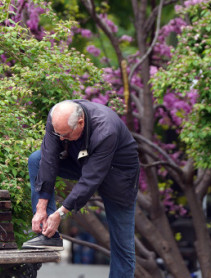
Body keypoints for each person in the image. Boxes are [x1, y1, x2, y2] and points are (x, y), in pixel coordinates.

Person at [23, 100, 139, 278]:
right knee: (36, 159)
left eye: (66, 135)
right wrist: (41, 207)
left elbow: (90, 180)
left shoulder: (105, 129)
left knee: (122, 246)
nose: (61, 139)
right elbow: (49, 160)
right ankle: (49, 236)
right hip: (81, 160)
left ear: (81, 123)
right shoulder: (57, 119)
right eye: (58, 134)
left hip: (118, 176)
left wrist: (60, 214)